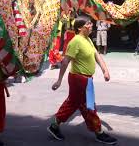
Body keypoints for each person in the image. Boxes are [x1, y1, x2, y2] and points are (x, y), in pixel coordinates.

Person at [47, 15, 117, 145]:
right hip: (78, 79)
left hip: (86, 79)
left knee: (74, 104)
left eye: (91, 23)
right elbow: (65, 61)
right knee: (88, 106)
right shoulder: (75, 41)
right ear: (80, 28)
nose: (91, 26)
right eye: (88, 24)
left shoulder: (88, 40)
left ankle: (54, 126)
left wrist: (105, 70)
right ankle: (99, 132)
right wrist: (59, 80)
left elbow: (97, 55)